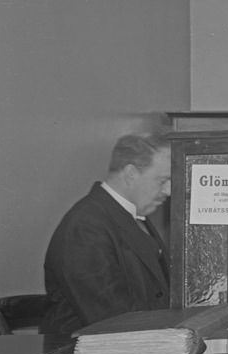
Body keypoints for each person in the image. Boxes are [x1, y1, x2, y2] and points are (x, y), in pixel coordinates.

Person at [40, 132, 173, 335]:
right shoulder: (86, 226)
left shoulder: (131, 215)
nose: (169, 191)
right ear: (130, 174)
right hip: (82, 350)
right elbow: (110, 320)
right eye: (162, 181)